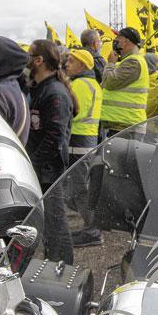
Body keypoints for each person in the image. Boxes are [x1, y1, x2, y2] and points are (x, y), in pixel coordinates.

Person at [26, 40, 76, 265]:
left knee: (56, 225)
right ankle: (50, 265)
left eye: (29, 55)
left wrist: (32, 164)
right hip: (42, 170)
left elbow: (55, 136)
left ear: (39, 61)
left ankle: (62, 272)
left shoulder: (55, 92)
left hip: (50, 172)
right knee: (48, 226)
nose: (25, 60)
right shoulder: (40, 88)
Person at [65, 48, 103, 247]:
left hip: (77, 142)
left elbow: (72, 112)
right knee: (79, 189)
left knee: (79, 189)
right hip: (87, 141)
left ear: (81, 65)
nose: (67, 64)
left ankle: (92, 230)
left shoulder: (79, 84)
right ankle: (92, 227)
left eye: (71, 61)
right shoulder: (93, 83)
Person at [100, 27, 149, 136]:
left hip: (127, 127)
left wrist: (110, 64)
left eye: (118, 38)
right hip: (121, 125)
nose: (115, 41)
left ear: (126, 42)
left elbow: (109, 83)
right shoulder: (125, 61)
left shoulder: (133, 62)